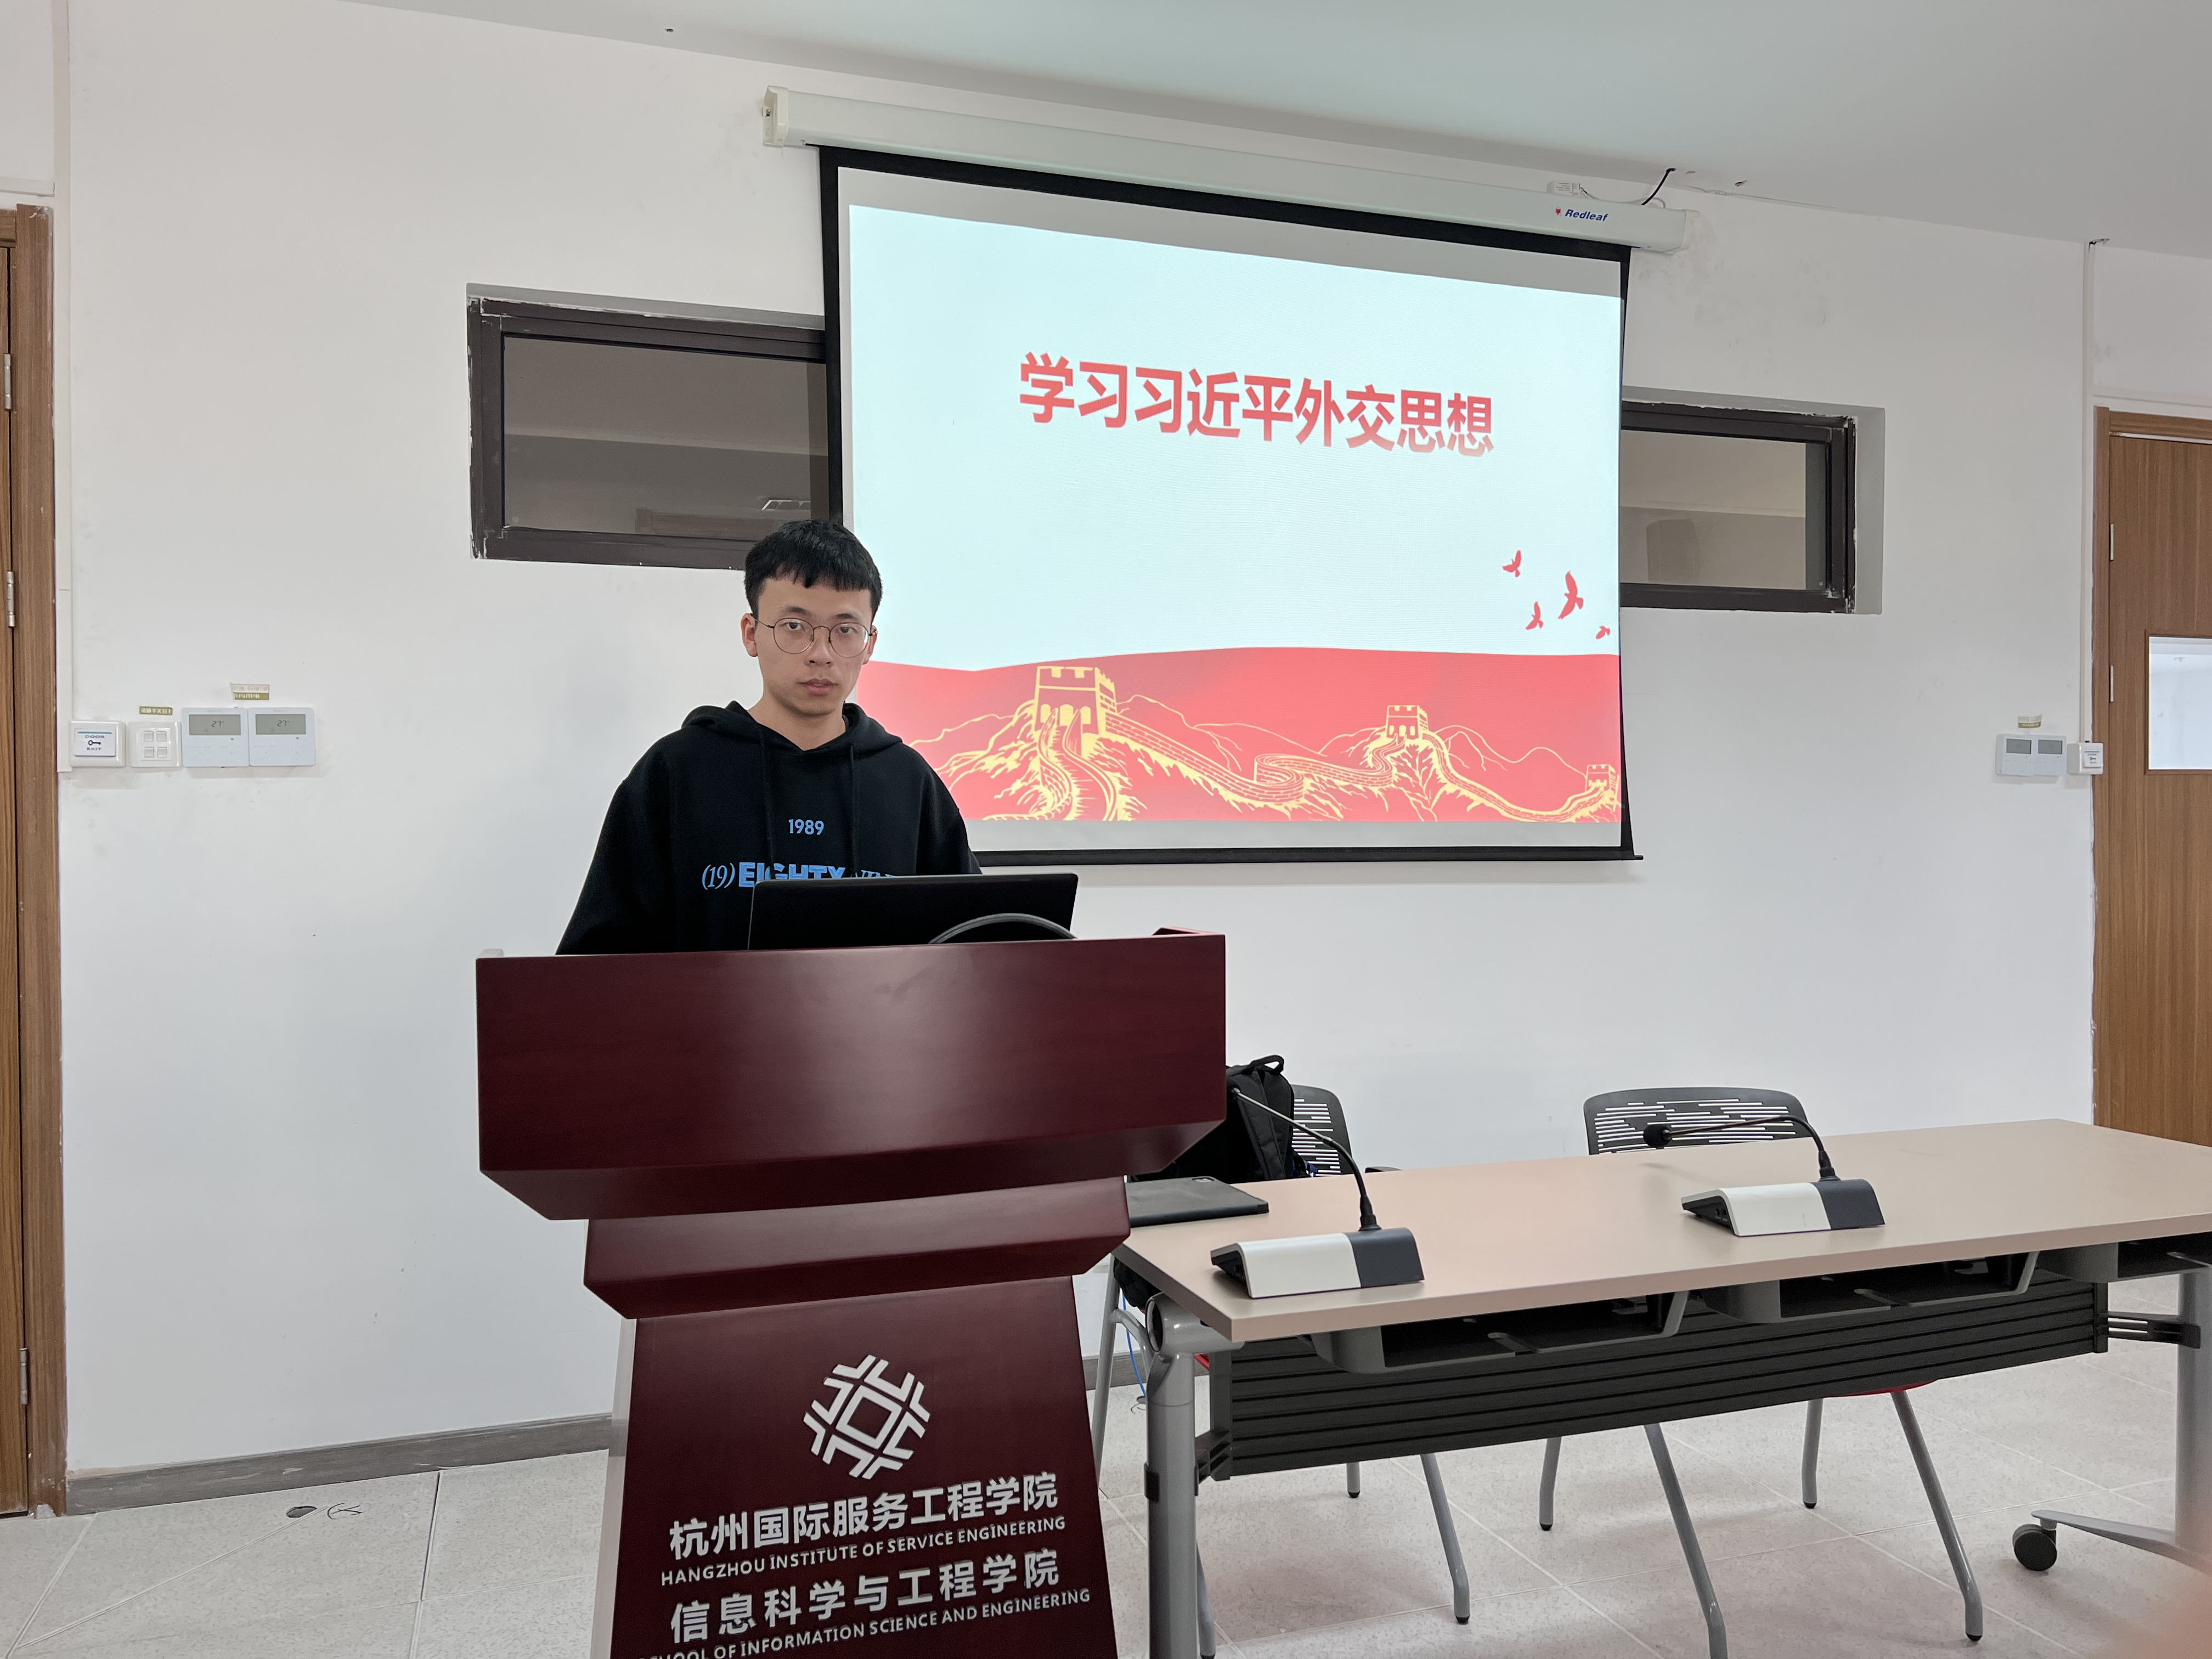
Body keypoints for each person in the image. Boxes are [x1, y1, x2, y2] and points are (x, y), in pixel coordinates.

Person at [558, 520, 977, 953]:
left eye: (845, 630)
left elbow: (976, 944)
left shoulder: (908, 782)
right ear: (751, 633)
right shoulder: (677, 771)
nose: (821, 654)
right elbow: (597, 961)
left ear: (870, 644)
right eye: (795, 626)